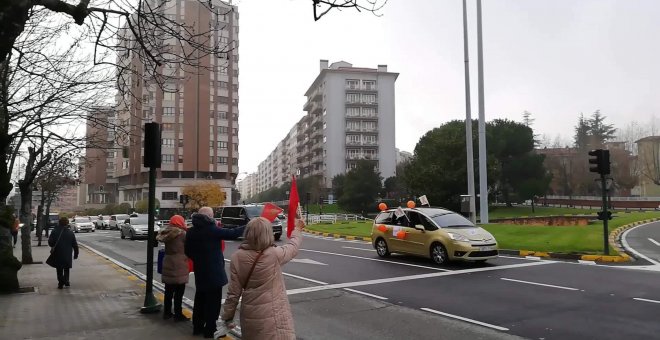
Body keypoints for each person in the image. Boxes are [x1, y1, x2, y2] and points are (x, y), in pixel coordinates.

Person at [219, 217, 305, 340]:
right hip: (274, 316)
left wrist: (227, 317)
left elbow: (233, 293)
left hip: (250, 315)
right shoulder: (275, 254)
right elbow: (293, 246)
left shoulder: (237, 257)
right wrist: (297, 230)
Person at [184, 207, 245, 338]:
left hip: (200, 271)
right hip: (214, 273)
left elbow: (187, 251)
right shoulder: (211, 230)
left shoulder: (190, 231)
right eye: (212, 216)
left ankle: (197, 327)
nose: (214, 218)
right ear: (208, 217)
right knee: (213, 303)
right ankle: (210, 330)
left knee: (200, 300)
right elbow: (232, 233)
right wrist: (249, 226)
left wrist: (199, 260)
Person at [156, 214, 190, 322]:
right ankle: (178, 314)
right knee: (179, 292)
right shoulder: (183, 234)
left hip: (168, 263)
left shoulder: (167, 233)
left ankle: (167, 313)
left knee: (168, 291)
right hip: (180, 264)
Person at [48, 217, 79, 289]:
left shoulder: (54, 231)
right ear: (67, 223)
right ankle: (66, 280)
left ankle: (60, 282)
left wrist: (53, 245)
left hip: (58, 253)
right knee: (66, 267)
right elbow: (75, 244)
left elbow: (50, 243)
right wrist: (76, 254)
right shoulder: (70, 233)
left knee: (59, 269)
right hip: (67, 253)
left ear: (59, 222)